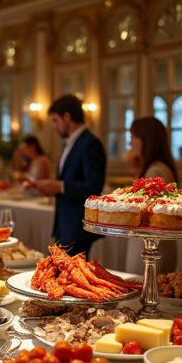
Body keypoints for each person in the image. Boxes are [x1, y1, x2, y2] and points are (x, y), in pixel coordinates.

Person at [25, 95, 106, 256]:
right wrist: (51, 187)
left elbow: (94, 186)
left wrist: (60, 186)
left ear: (67, 117)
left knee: (73, 271)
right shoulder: (70, 143)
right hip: (65, 223)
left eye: (56, 120)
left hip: (78, 226)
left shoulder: (90, 143)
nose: (54, 126)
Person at [124, 117, 179, 275]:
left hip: (150, 247)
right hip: (153, 243)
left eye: (133, 137)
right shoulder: (156, 168)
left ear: (146, 140)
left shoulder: (156, 171)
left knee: (143, 286)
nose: (130, 142)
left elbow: (145, 213)